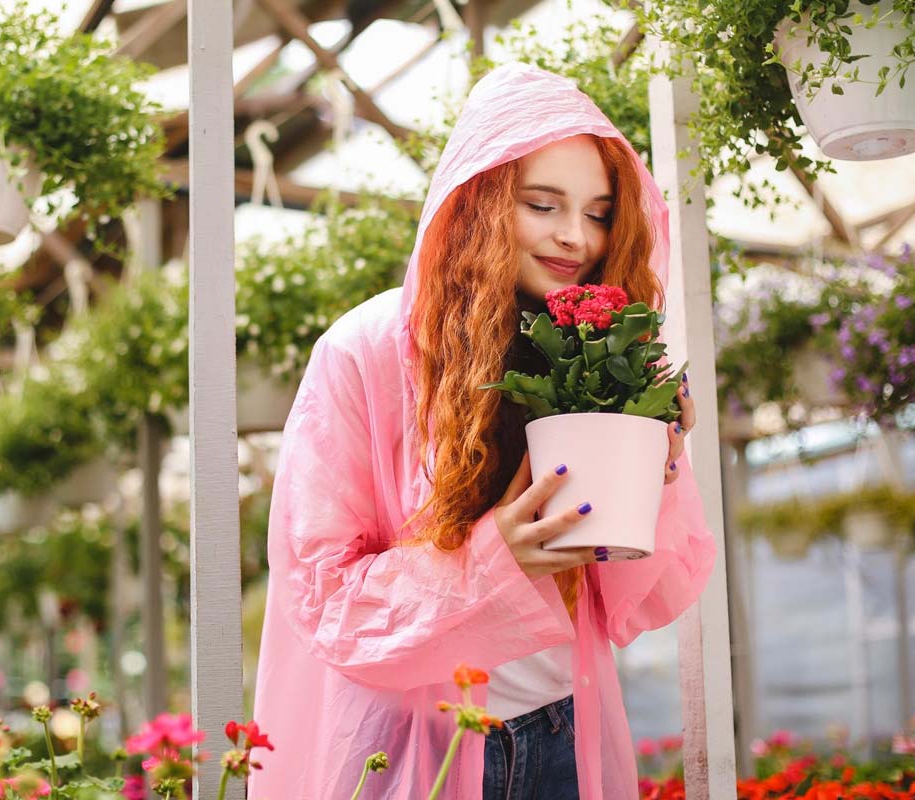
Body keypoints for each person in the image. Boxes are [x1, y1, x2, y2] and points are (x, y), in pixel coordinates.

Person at [248, 62, 716, 800]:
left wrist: (653, 465)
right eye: (542, 204)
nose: (575, 237)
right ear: (481, 201)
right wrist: (499, 560)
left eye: (598, 212)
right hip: (419, 751)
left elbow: (638, 599)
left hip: (563, 731)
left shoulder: (590, 350)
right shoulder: (366, 350)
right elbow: (324, 597)